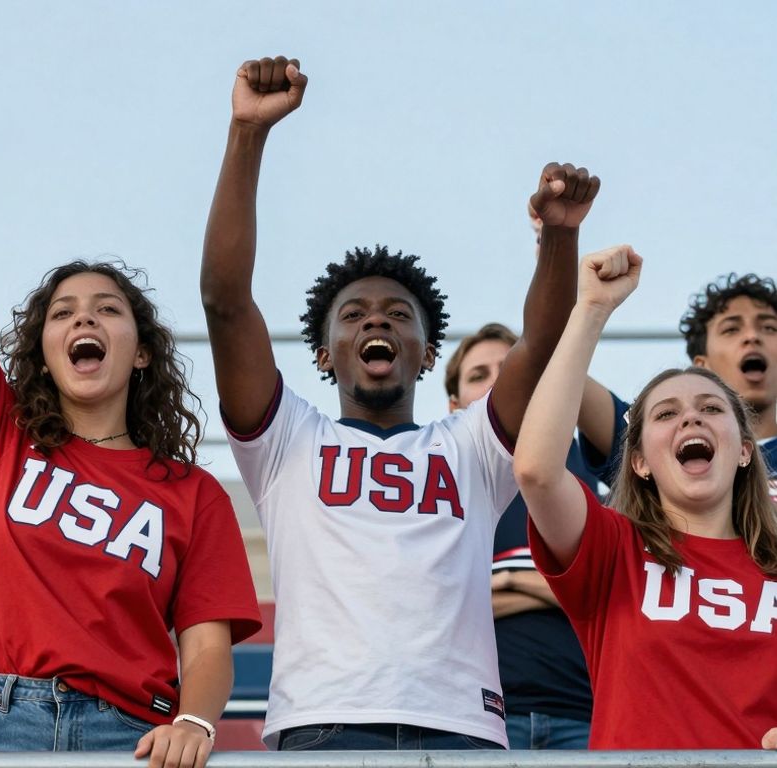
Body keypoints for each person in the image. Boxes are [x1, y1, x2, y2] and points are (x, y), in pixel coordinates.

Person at [200, 55, 598, 750]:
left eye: (397, 315)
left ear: (427, 352)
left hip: (461, 731)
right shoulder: (286, 441)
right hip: (323, 724)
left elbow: (544, 341)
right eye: (352, 315)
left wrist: (559, 237)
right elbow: (226, 303)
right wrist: (246, 135)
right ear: (322, 355)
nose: (376, 322)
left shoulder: (471, 448)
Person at [0, 27, 261, 768]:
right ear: (42, 349)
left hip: (134, 736)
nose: (84, 319)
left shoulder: (193, 496)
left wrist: (194, 720)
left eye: (106, 309)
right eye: (63, 312)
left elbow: (205, 642)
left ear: (144, 348)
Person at [514, 246, 777, 749]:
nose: (690, 419)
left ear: (745, 451)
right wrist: (591, 309)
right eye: (664, 414)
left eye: (709, 408)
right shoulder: (613, 551)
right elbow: (536, 471)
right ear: (638, 461)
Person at [444, 320, 624, 749]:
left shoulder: (590, 481)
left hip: (587, 717)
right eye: (479, 375)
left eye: (512, 368)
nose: (499, 383)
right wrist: (554, 588)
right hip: (477, 725)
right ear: (454, 406)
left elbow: (607, 593)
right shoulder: (439, 497)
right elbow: (439, 603)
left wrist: (500, 583)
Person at [679, 273, 777, 496]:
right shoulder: (662, 444)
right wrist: (594, 306)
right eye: (732, 329)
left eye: (770, 328)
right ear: (702, 367)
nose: (752, 336)